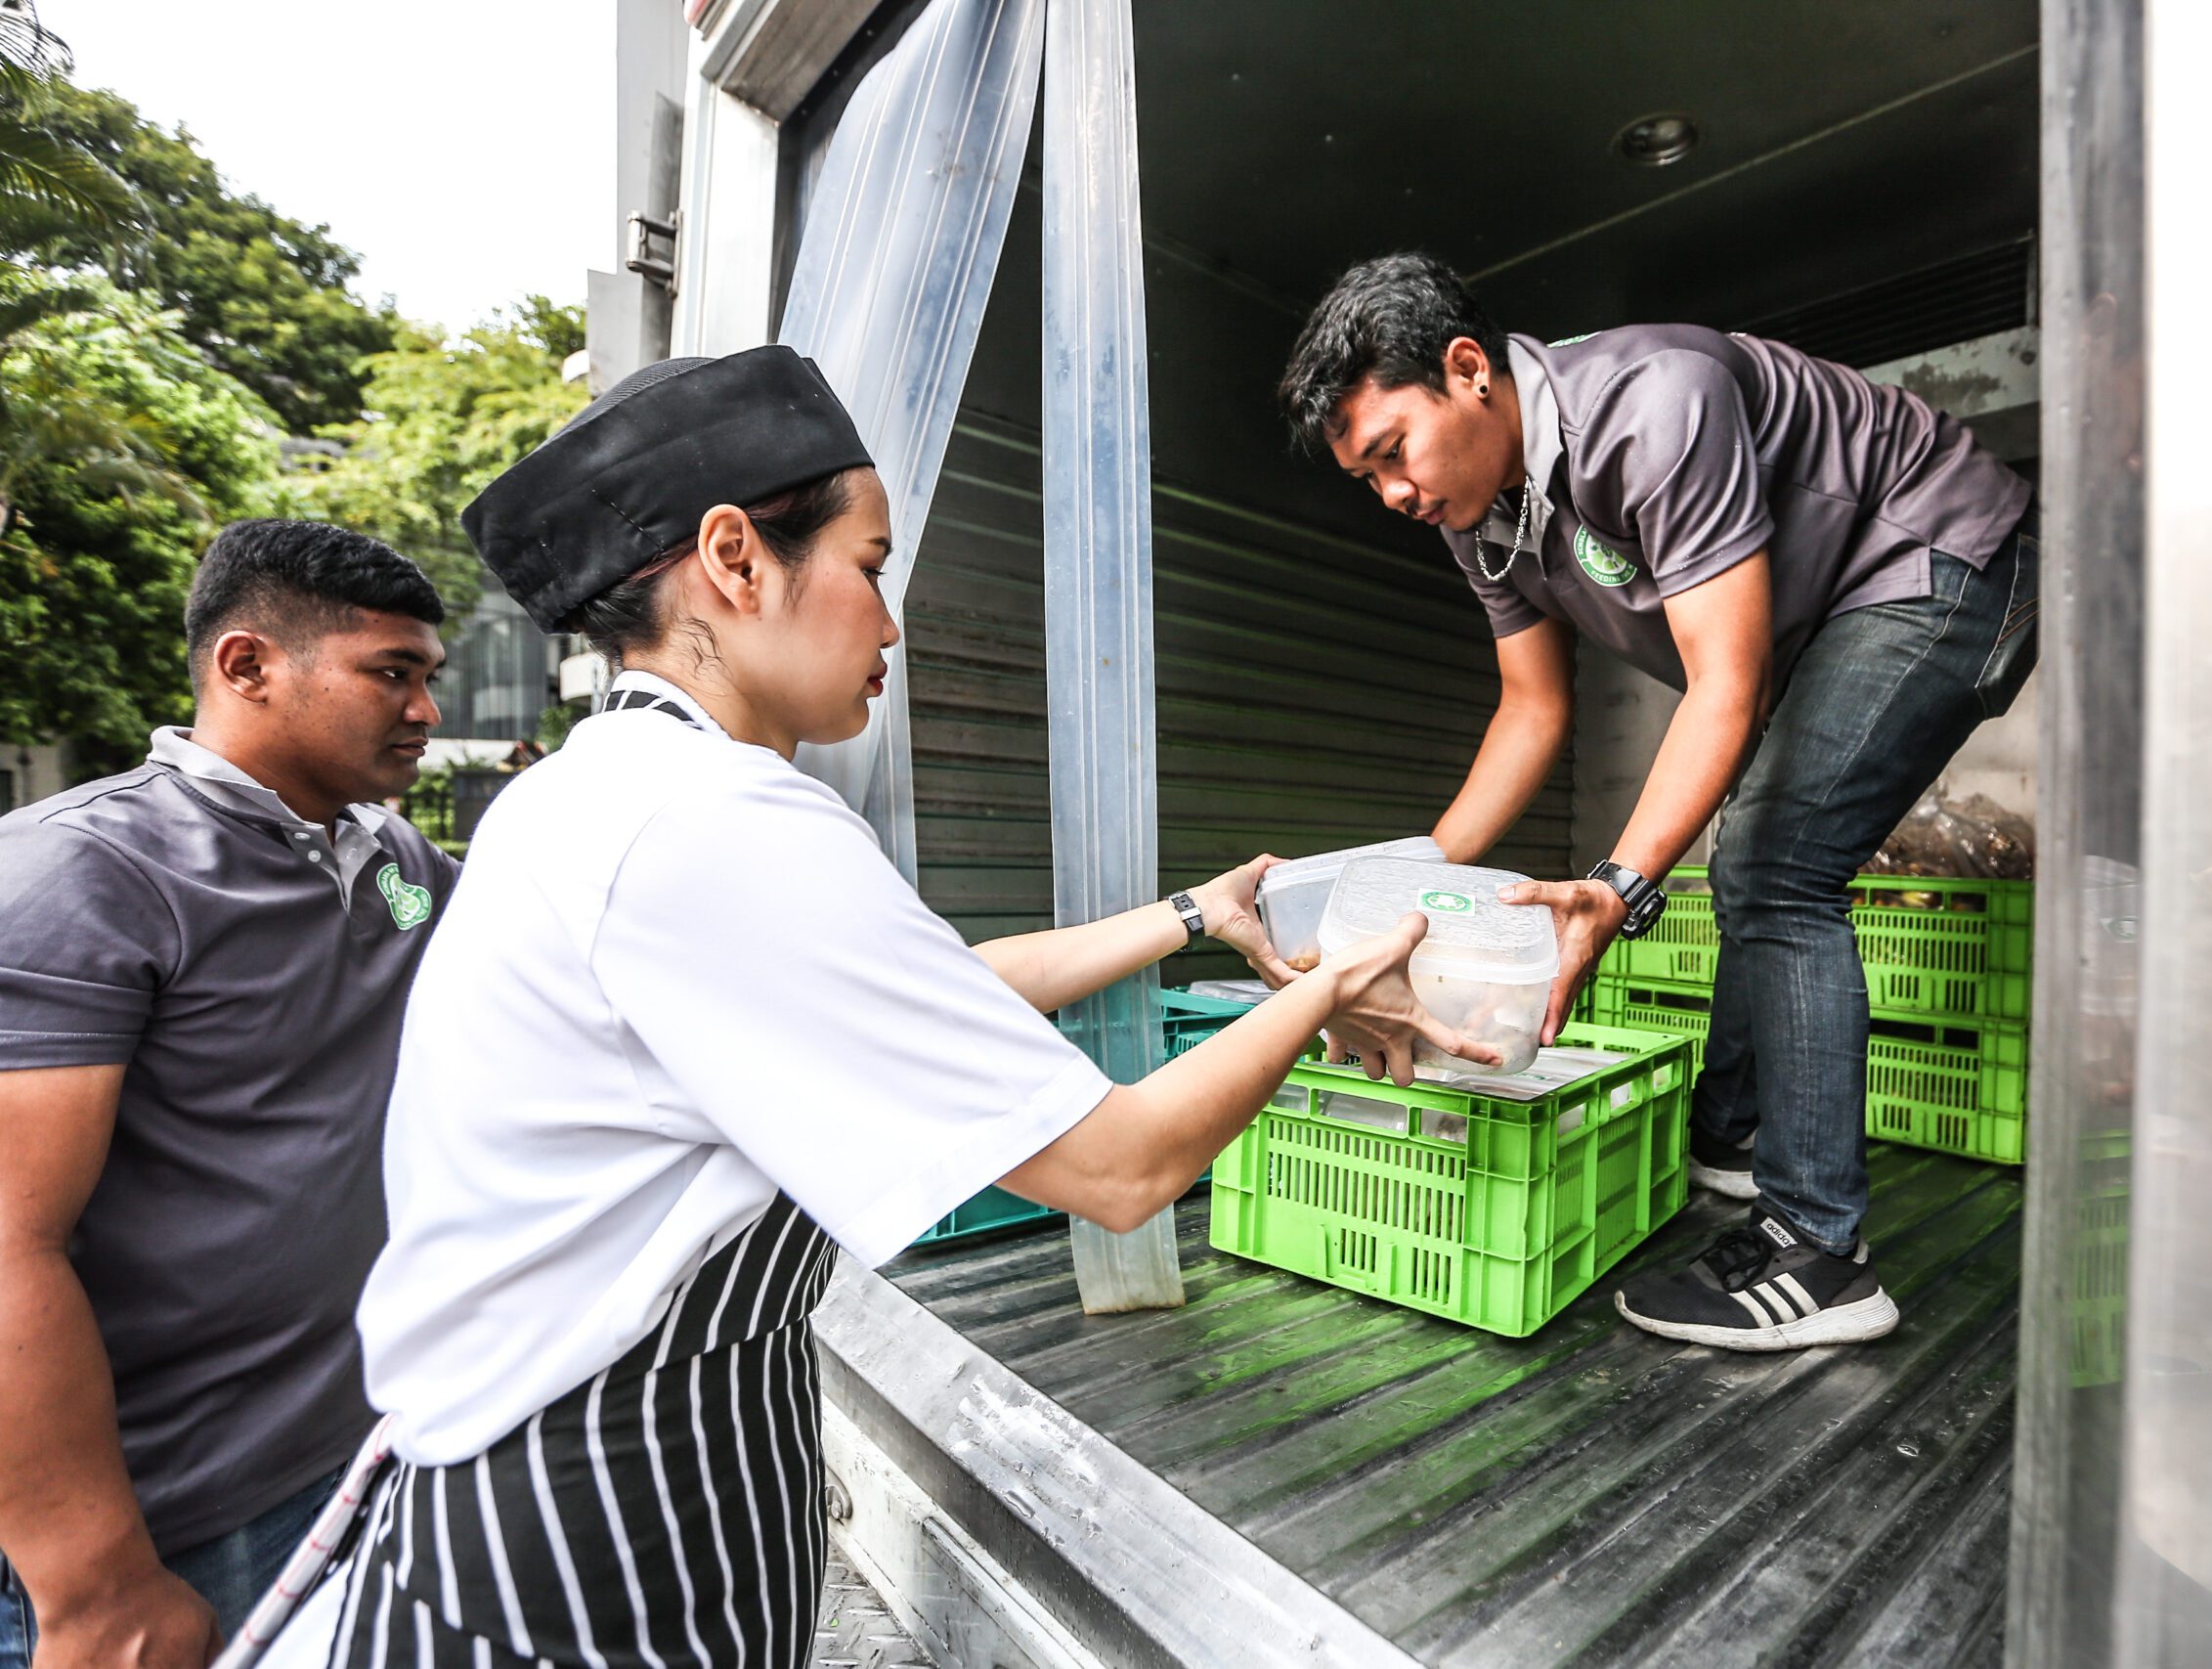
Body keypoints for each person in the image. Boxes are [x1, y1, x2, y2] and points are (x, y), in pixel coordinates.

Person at [280, 345, 1481, 1663]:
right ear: (735, 559)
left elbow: (928, 996)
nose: (891, 621)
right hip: (592, 1514)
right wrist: (1327, 990)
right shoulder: (708, 819)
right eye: (870, 565)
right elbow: (1126, 1165)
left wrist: (1193, 914)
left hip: (606, 1462)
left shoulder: (595, 792)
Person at [1278, 254, 2038, 1351]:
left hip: (1942, 554)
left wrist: (1616, 887)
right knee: (1760, 857)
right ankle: (1730, 1142)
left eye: (1394, 450)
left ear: (1466, 371)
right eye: (1367, 478)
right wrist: (1400, 889)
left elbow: (1725, 686)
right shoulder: (1474, 515)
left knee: (1773, 867)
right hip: (1826, 614)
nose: (1394, 492)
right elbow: (1532, 711)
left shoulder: (1651, 404)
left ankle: (1820, 1254)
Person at [0, 521, 458, 1662]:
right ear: (247, 666)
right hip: (165, 1516)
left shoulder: (394, 863)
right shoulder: (87, 873)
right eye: (390, 674)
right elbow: (6, 1242)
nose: (425, 711)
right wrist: (92, 1581)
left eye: (427, 677)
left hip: (353, 1457)